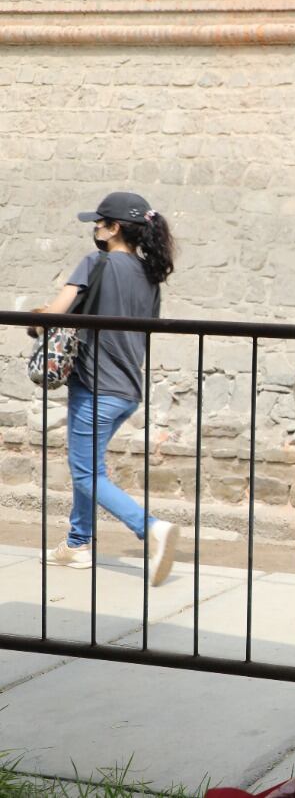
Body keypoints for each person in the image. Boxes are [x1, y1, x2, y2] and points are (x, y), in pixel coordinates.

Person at [35, 192, 180, 586]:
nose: (95, 229)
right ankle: (77, 543)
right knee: (91, 467)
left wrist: (34, 321)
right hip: (127, 390)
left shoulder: (95, 262)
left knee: (84, 475)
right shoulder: (150, 277)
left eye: (99, 223)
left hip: (95, 386)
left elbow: (54, 313)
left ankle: (150, 528)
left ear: (114, 228)